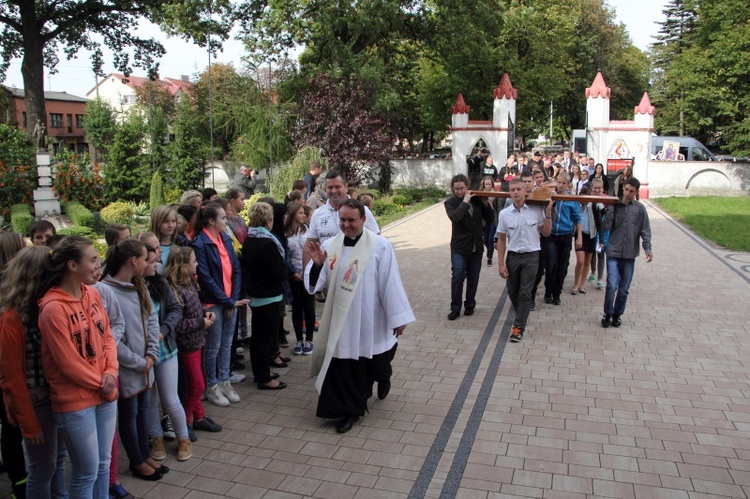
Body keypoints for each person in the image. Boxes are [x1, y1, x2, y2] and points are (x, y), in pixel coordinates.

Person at [305, 199, 415, 433]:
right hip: (342, 321)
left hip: (371, 318)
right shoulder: (330, 246)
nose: (346, 224)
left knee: (378, 364)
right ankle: (350, 411)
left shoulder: (380, 246)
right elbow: (316, 284)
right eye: (342, 220)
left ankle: (384, 377)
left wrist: (398, 317)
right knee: (345, 365)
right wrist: (316, 266)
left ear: (363, 220)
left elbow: (390, 282)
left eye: (351, 220)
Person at [37, 236, 119, 497]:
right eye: (93, 259)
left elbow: (107, 336)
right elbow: (66, 362)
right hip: (76, 400)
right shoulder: (52, 308)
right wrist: (102, 382)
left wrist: (111, 372)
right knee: (86, 471)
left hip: (105, 391)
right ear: (72, 266)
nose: (99, 265)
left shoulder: (93, 294)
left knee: (103, 463)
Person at [99, 239, 166, 482]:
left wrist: (152, 354)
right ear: (133, 261)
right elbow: (110, 338)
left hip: (145, 363)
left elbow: (151, 319)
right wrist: (139, 362)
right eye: (146, 259)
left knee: (141, 414)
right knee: (129, 415)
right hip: (128, 368)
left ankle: (144, 454)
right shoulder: (105, 291)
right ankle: (137, 461)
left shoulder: (139, 285)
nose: (151, 263)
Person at [192, 202, 247, 407]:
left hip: (229, 301)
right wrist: (227, 300)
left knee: (226, 345)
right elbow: (205, 278)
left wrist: (232, 299)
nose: (227, 221)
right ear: (211, 221)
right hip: (212, 303)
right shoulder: (200, 244)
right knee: (213, 347)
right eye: (223, 218)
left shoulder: (225, 238)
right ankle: (212, 385)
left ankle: (224, 381)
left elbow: (236, 269)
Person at [164, 248, 223, 435]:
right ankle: (185, 421)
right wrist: (200, 323)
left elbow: (195, 310)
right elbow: (178, 324)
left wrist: (205, 314)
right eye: (194, 261)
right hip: (187, 345)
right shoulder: (175, 291)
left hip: (197, 342)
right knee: (197, 385)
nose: (197, 264)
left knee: (197, 383)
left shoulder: (189, 284)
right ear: (183, 265)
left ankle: (199, 417)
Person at [496, 178, 553, 343]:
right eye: (513, 190)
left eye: (519, 189)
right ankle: (521, 310)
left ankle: (518, 327)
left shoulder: (535, 210)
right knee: (513, 291)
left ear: (524, 191)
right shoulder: (504, 214)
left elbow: (546, 233)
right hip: (513, 256)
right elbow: (501, 239)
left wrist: (548, 213)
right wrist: (500, 264)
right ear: (509, 192)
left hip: (532, 256)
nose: (516, 193)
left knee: (525, 293)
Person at [242, 202, 288, 390]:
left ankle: (263, 372)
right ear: (269, 220)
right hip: (267, 295)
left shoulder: (251, 238)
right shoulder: (267, 242)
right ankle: (263, 377)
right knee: (263, 338)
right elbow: (277, 271)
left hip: (258, 293)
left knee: (261, 337)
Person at [601, 177, 653, 328]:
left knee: (624, 289)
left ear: (636, 192)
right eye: (626, 190)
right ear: (622, 188)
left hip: (629, 254)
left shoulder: (639, 209)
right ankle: (607, 313)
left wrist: (647, 248)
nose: (628, 193)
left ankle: (617, 314)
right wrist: (610, 210)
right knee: (611, 285)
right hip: (613, 251)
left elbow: (645, 229)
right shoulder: (615, 205)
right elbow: (606, 226)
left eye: (631, 191)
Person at [444, 173, 495, 320]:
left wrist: (486, 204)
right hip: (459, 247)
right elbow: (455, 217)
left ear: (467, 187)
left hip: (476, 246)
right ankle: (455, 308)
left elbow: (490, 218)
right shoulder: (450, 203)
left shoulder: (477, 200)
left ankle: (470, 305)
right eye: (456, 189)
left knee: (473, 278)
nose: (459, 191)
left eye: (461, 188)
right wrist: (465, 201)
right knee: (458, 275)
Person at [543, 173, 582, 305]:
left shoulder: (571, 198)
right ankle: (548, 290)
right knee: (551, 264)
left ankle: (557, 292)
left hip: (565, 235)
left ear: (568, 185)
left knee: (562, 266)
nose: (560, 185)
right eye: (559, 182)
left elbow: (577, 218)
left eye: (563, 183)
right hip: (552, 234)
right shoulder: (550, 195)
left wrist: (579, 237)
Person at [285, 202, 316, 356]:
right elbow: (285, 256)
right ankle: (298, 339)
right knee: (296, 308)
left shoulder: (308, 230)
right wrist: (291, 273)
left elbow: (313, 250)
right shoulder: (286, 233)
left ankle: (309, 339)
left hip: (308, 274)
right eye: (300, 213)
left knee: (309, 306)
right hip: (294, 276)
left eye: (304, 212)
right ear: (292, 215)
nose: (304, 215)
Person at [571, 186, 600, 294]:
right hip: (580, 235)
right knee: (580, 261)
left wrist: (600, 238)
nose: (585, 201)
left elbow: (598, 222)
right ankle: (575, 283)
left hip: (591, 235)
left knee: (587, 261)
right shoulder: (577, 206)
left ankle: (582, 285)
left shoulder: (593, 205)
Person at [479, 176, 498, 266]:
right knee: (485, 239)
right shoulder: (480, 195)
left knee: (490, 238)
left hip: (492, 220)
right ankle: (488, 252)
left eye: (489, 184)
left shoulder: (496, 195)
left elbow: (498, 210)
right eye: (486, 184)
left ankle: (490, 257)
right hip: (484, 220)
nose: (488, 186)